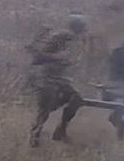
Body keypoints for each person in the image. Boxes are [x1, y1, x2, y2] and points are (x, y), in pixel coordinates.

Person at [27, 12, 88, 147]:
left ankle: (61, 130)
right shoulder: (61, 36)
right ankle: (35, 137)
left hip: (59, 77)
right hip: (45, 76)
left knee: (76, 100)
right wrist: (58, 58)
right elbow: (38, 56)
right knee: (45, 109)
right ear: (77, 26)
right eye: (83, 26)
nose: (85, 29)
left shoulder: (73, 38)